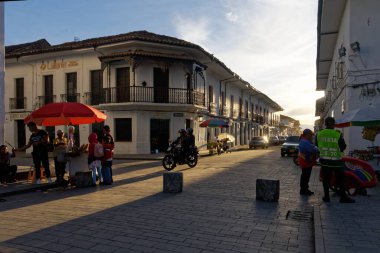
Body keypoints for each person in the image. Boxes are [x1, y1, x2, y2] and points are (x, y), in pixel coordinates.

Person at [316, 117, 355, 203]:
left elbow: (317, 145)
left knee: (326, 179)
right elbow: (343, 147)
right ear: (333, 124)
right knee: (341, 179)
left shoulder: (319, 134)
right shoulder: (337, 134)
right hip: (337, 162)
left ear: (325, 124)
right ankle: (343, 197)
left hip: (325, 161)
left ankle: (326, 197)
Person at [298, 129, 319, 196]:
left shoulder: (304, 140)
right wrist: (316, 149)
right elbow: (312, 149)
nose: (311, 136)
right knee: (305, 176)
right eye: (310, 135)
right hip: (306, 162)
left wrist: (314, 147)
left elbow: (311, 147)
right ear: (307, 135)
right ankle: (304, 190)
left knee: (305, 176)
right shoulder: (305, 141)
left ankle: (304, 189)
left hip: (306, 161)